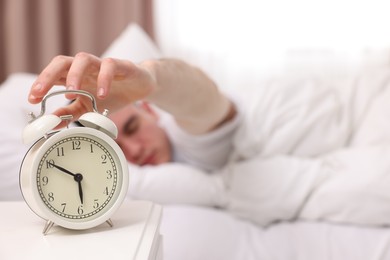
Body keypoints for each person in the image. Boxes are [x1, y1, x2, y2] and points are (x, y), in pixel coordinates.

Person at [28, 52, 240, 171]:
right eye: (117, 147)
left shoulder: (184, 136)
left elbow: (207, 104)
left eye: (132, 127)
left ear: (149, 110)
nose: (134, 150)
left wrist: (154, 82)